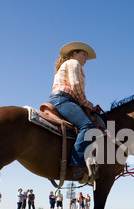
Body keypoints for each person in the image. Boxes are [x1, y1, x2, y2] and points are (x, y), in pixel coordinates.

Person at [47, 41, 104, 179]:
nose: (85, 58)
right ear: (74, 54)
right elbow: (76, 86)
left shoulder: (65, 65)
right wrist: (86, 103)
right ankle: (77, 164)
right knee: (88, 126)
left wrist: (88, 104)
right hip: (64, 99)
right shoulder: (74, 63)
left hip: (60, 99)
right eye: (83, 54)